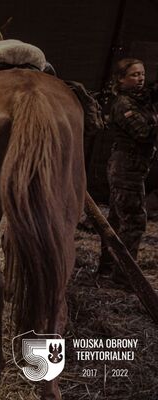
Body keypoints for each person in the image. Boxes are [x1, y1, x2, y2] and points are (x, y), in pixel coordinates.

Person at [98, 58, 158, 283]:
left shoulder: (141, 100)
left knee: (116, 219)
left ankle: (108, 270)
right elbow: (142, 133)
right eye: (134, 75)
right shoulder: (123, 103)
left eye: (142, 74)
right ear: (121, 79)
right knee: (133, 222)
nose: (140, 78)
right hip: (126, 168)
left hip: (133, 168)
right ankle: (123, 278)